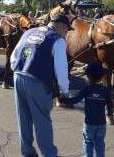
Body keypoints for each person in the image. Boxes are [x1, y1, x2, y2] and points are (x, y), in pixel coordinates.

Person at [10, 14, 72, 157]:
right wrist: (64, 91)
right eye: (67, 31)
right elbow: (62, 69)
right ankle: (49, 154)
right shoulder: (58, 40)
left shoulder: (30, 31)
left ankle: (27, 153)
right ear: (61, 27)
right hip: (37, 82)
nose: (66, 34)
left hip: (18, 75)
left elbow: (14, 57)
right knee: (42, 121)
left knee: (23, 118)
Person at [59, 62, 114, 157]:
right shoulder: (106, 90)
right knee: (100, 143)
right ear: (102, 76)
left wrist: (62, 99)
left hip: (89, 122)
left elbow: (74, 100)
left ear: (88, 77)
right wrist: (109, 113)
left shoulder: (87, 89)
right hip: (101, 123)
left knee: (88, 142)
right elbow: (110, 105)